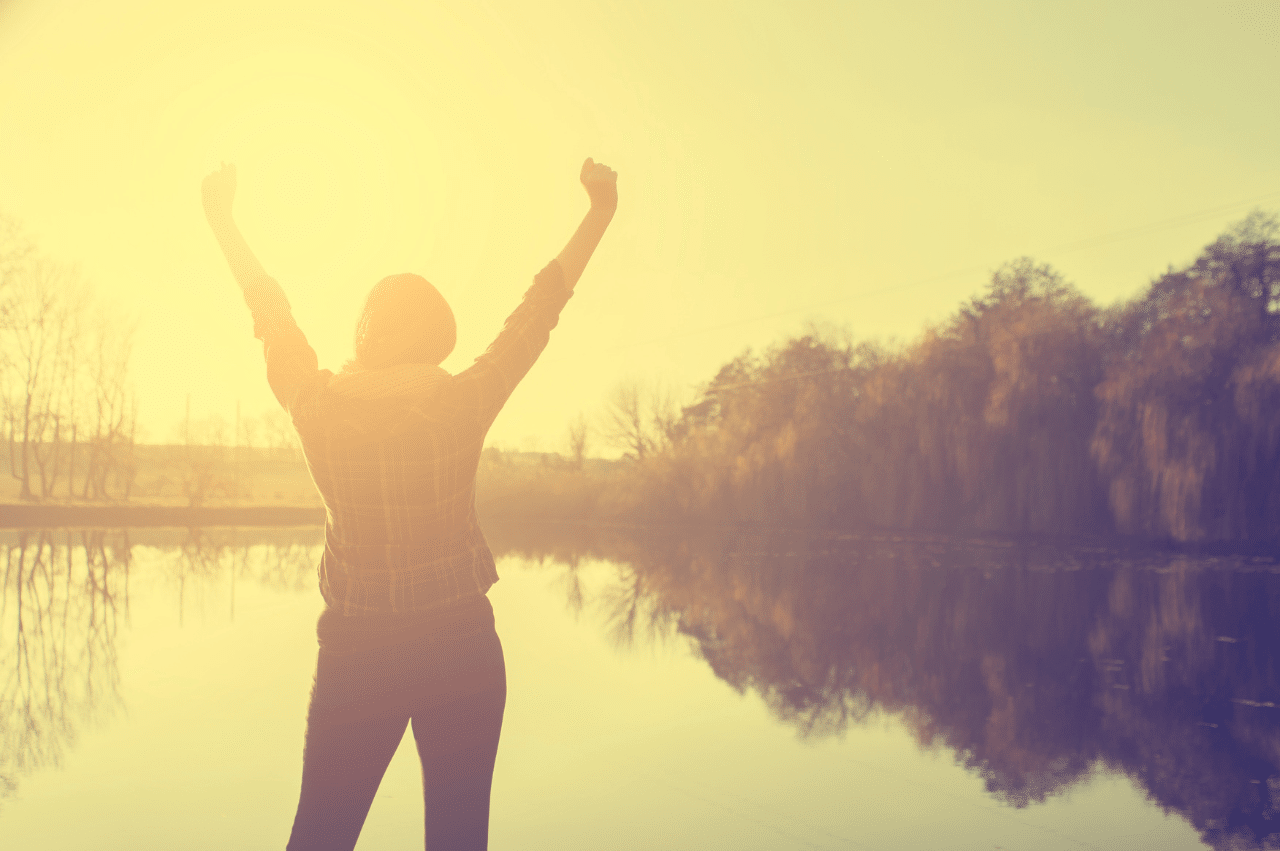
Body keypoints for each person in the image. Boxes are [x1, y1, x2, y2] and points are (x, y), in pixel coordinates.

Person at [201, 157, 618, 850]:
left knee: (320, 837)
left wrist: (222, 219)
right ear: (436, 341)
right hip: (461, 650)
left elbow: (269, 312)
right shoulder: (460, 403)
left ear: (366, 335)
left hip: (357, 654)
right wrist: (598, 212)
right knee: (457, 839)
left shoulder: (319, 408)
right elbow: (537, 313)